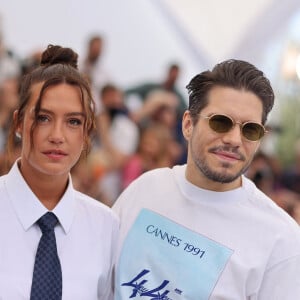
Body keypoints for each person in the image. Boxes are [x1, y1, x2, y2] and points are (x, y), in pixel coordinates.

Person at [112, 59, 300, 299]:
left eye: (250, 129)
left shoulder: (281, 240)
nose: (234, 139)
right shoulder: (145, 189)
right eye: (220, 122)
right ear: (189, 124)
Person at [0, 44, 119, 299]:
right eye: (43, 118)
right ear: (19, 122)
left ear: (87, 132)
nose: (57, 136)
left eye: (73, 122)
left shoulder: (105, 226)